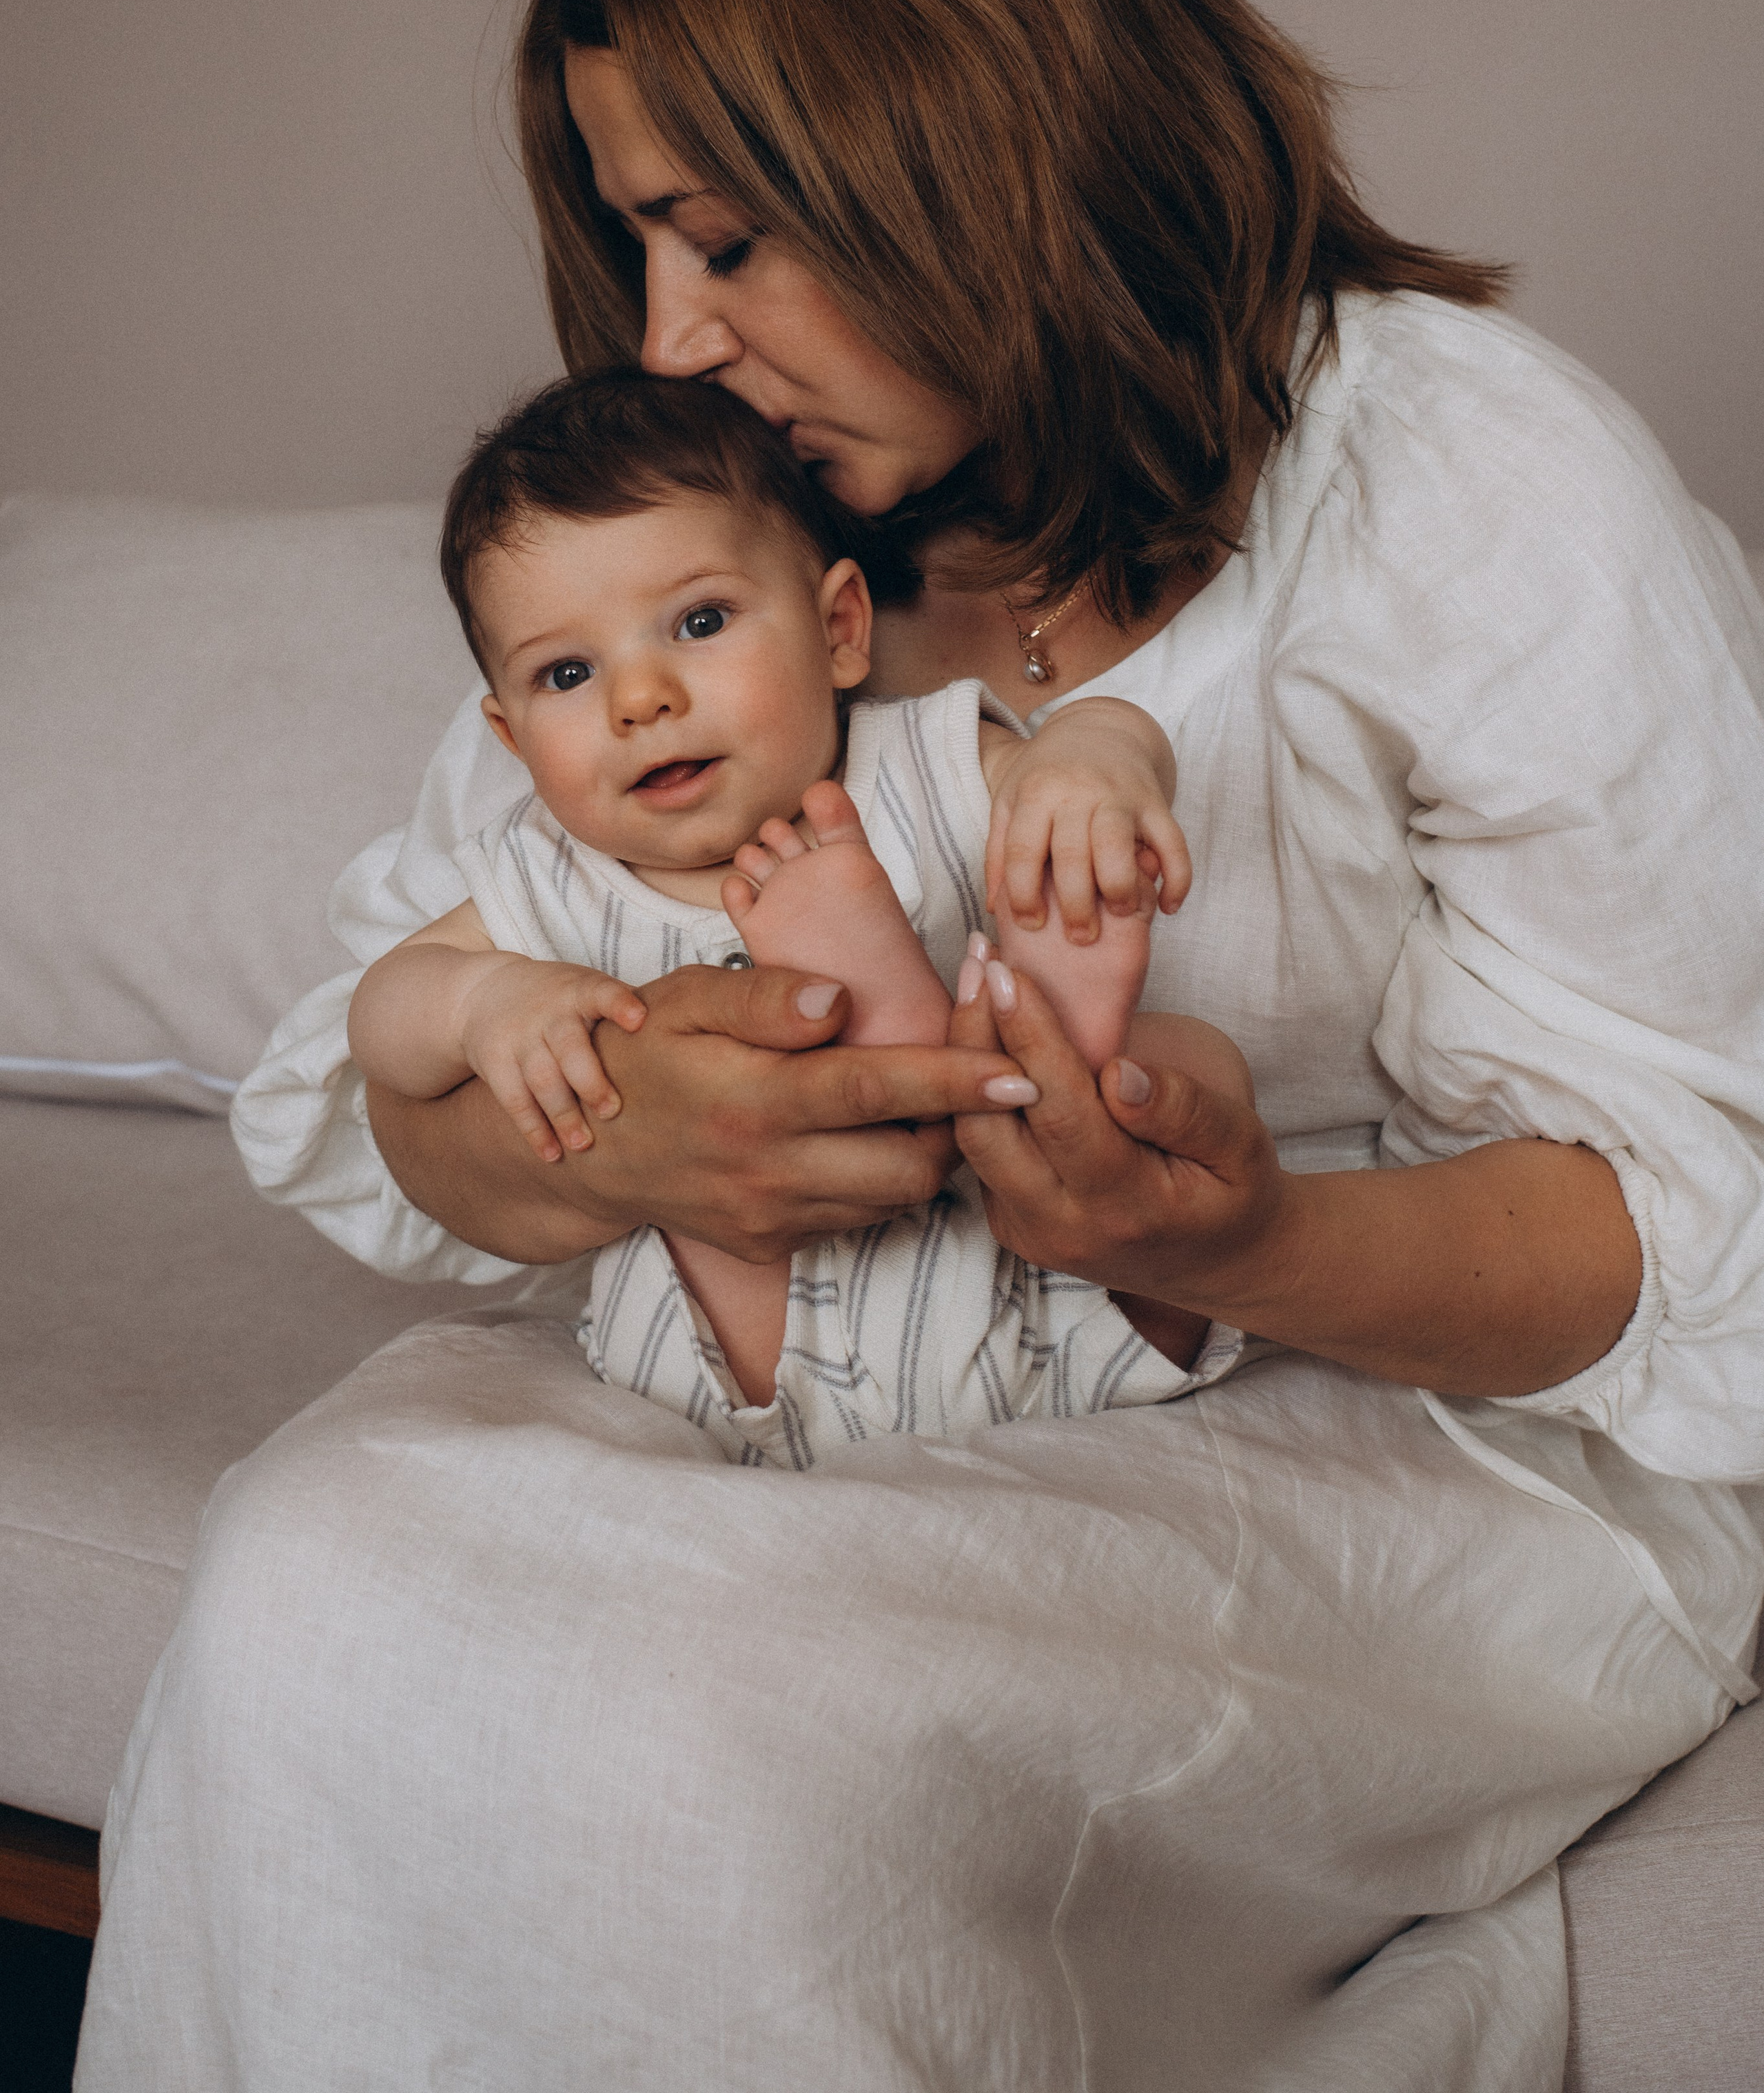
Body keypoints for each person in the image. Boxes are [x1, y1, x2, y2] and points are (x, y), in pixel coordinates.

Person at [74, 0, 1764, 2092]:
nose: (668, 338)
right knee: (310, 1577)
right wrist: (626, 1132)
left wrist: (1230, 1239)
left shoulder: (1463, 478)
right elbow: (404, 1049)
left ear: (973, 133)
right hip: (825, 1380)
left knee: (724, 1716)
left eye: (728, 236)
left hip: (1401, 1426)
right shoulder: (733, 549)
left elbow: (1689, 1231)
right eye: (638, 239)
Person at [345, 367, 1237, 1462]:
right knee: (716, 1194)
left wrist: (1093, 761)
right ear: (511, 737)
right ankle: (895, 1019)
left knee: (1187, 1069)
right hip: (744, 1352)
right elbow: (383, 1014)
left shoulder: (928, 764)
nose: (640, 699)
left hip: (1043, 1278)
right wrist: (484, 1001)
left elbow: (1101, 726)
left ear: (841, 630)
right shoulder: (540, 875)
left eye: (701, 620)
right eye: (569, 673)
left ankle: (1042, 1028)